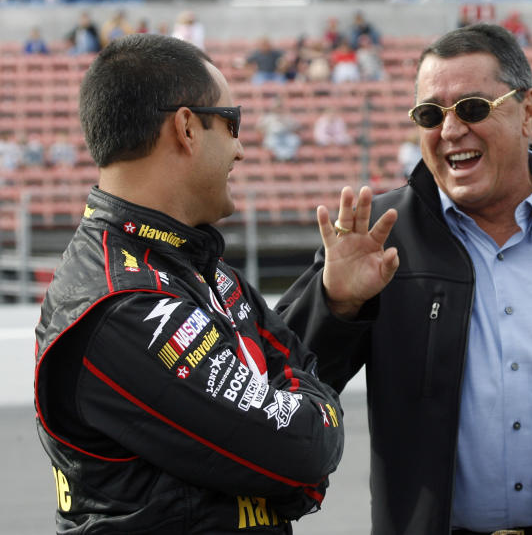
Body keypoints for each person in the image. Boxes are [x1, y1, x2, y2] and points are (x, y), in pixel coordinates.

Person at [276, 23, 532, 534]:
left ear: (527, 110)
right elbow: (280, 388)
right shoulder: (377, 239)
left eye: (472, 108)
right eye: (430, 114)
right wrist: (336, 304)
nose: (449, 131)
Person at [34, 34, 346, 533]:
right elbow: (302, 449)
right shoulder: (121, 304)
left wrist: (336, 308)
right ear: (186, 128)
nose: (241, 149)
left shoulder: (206, 270)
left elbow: (299, 378)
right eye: (232, 122)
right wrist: (311, 417)